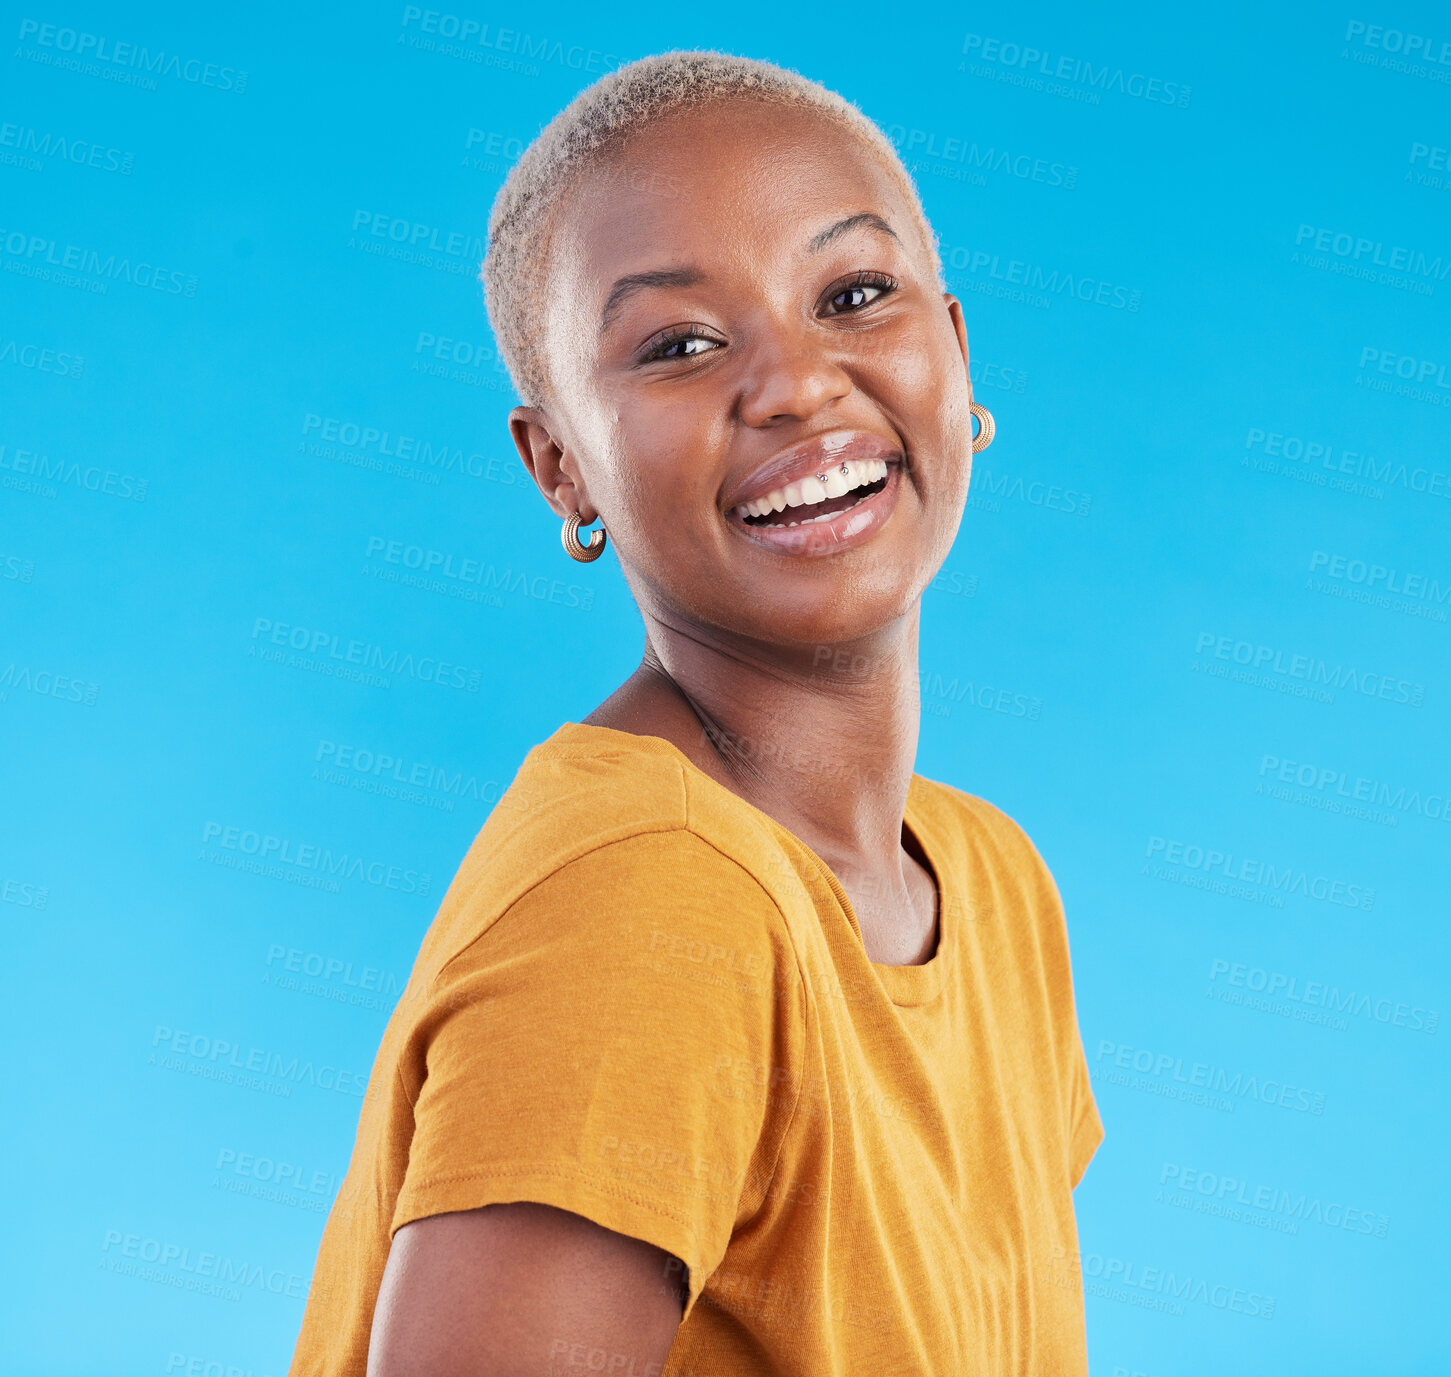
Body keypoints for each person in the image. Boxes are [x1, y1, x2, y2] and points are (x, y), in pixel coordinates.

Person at [288, 50, 1102, 1377]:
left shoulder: (995, 886)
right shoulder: (647, 897)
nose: (795, 383)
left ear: (954, 354)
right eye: (679, 345)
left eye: (854, 293)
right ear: (562, 466)